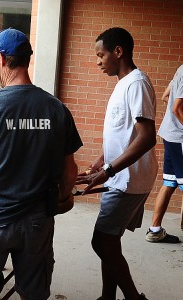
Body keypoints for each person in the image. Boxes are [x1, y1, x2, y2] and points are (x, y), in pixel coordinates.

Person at [0, 28, 83, 300]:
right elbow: (69, 171)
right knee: (34, 294)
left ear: (0, 58)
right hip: (37, 220)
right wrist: (62, 196)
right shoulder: (56, 108)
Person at [76, 27, 158, 300]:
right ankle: (107, 296)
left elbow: (146, 138)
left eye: (101, 55)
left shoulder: (136, 83)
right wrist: (101, 162)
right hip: (118, 176)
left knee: (101, 241)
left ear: (118, 51)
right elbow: (123, 133)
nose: (97, 61)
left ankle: (134, 298)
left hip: (127, 180)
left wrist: (109, 170)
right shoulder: (123, 84)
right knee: (110, 240)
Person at [145, 64, 183, 243]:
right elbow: (177, 108)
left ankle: (154, 230)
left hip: (170, 135)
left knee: (169, 182)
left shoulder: (180, 70)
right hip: (179, 138)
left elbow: (166, 95)